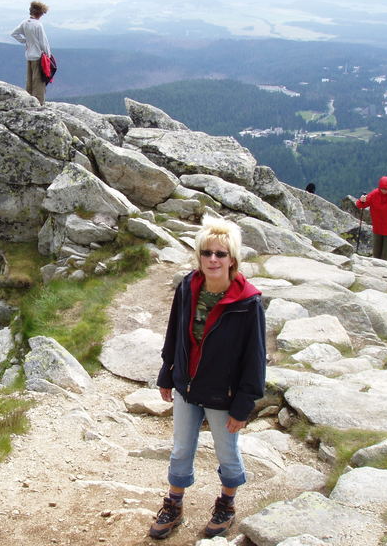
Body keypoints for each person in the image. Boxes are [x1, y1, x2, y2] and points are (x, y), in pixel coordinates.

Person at [150, 215, 266, 540]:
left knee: (226, 451)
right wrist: (166, 373)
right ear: (199, 256)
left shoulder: (248, 303)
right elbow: (175, 333)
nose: (213, 259)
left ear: (233, 259)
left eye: (221, 254)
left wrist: (244, 404)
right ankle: (173, 504)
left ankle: (226, 505)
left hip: (223, 395)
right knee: (180, 450)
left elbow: (255, 358)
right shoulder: (189, 286)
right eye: (207, 253)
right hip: (187, 386)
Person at [11, 1, 51, 105]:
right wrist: (49, 55)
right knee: (38, 81)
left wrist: (25, 41)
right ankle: (39, 103)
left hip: (28, 55)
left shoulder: (25, 23)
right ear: (40, 13)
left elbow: (14, 34)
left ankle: (28, 101)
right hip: (38, 56)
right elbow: (43, 42)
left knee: (29, 80)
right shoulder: (38, 25)